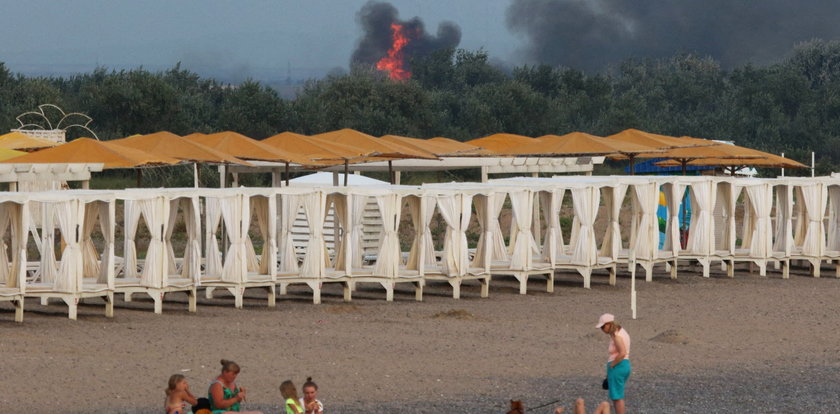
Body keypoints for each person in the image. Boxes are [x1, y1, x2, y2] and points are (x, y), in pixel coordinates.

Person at [596, 313, 631, 414]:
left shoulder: (616, 336)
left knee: (617, 397)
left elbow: (622, 353)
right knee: (617, 394)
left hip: (618, 366)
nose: (602, 330)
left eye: (603, 327)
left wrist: (612, 365)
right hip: (624, 366)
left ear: (609, 324)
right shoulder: (622, 332)